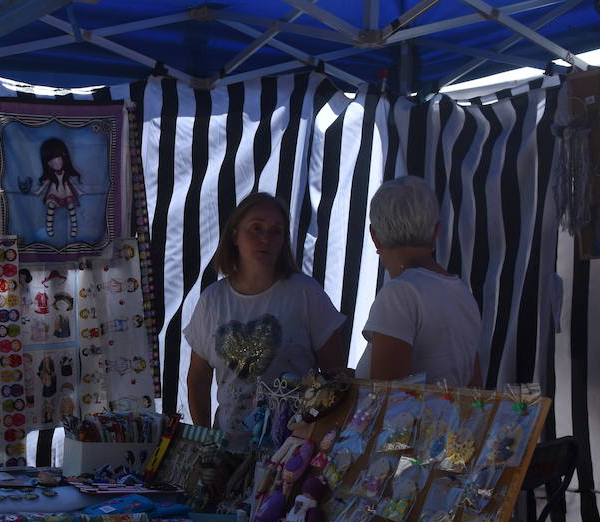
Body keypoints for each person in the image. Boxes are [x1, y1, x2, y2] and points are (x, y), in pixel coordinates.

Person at [184, 191, 346, 448]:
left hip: (290, 454)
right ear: (235, 234)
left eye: (276, 231)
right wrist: (206, 442)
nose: (265, 239)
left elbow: (336, 377)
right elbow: (197, 380)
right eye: (256, 228)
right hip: (227, 452)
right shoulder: (213, 300)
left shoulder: (305, 293)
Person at [356, 176, 483, 387]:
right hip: (454, 420)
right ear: (436, 231)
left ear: (374, 236)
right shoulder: (462, 294)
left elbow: (385, 401)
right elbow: (475, 392)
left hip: (414, 420)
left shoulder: (399, 294)